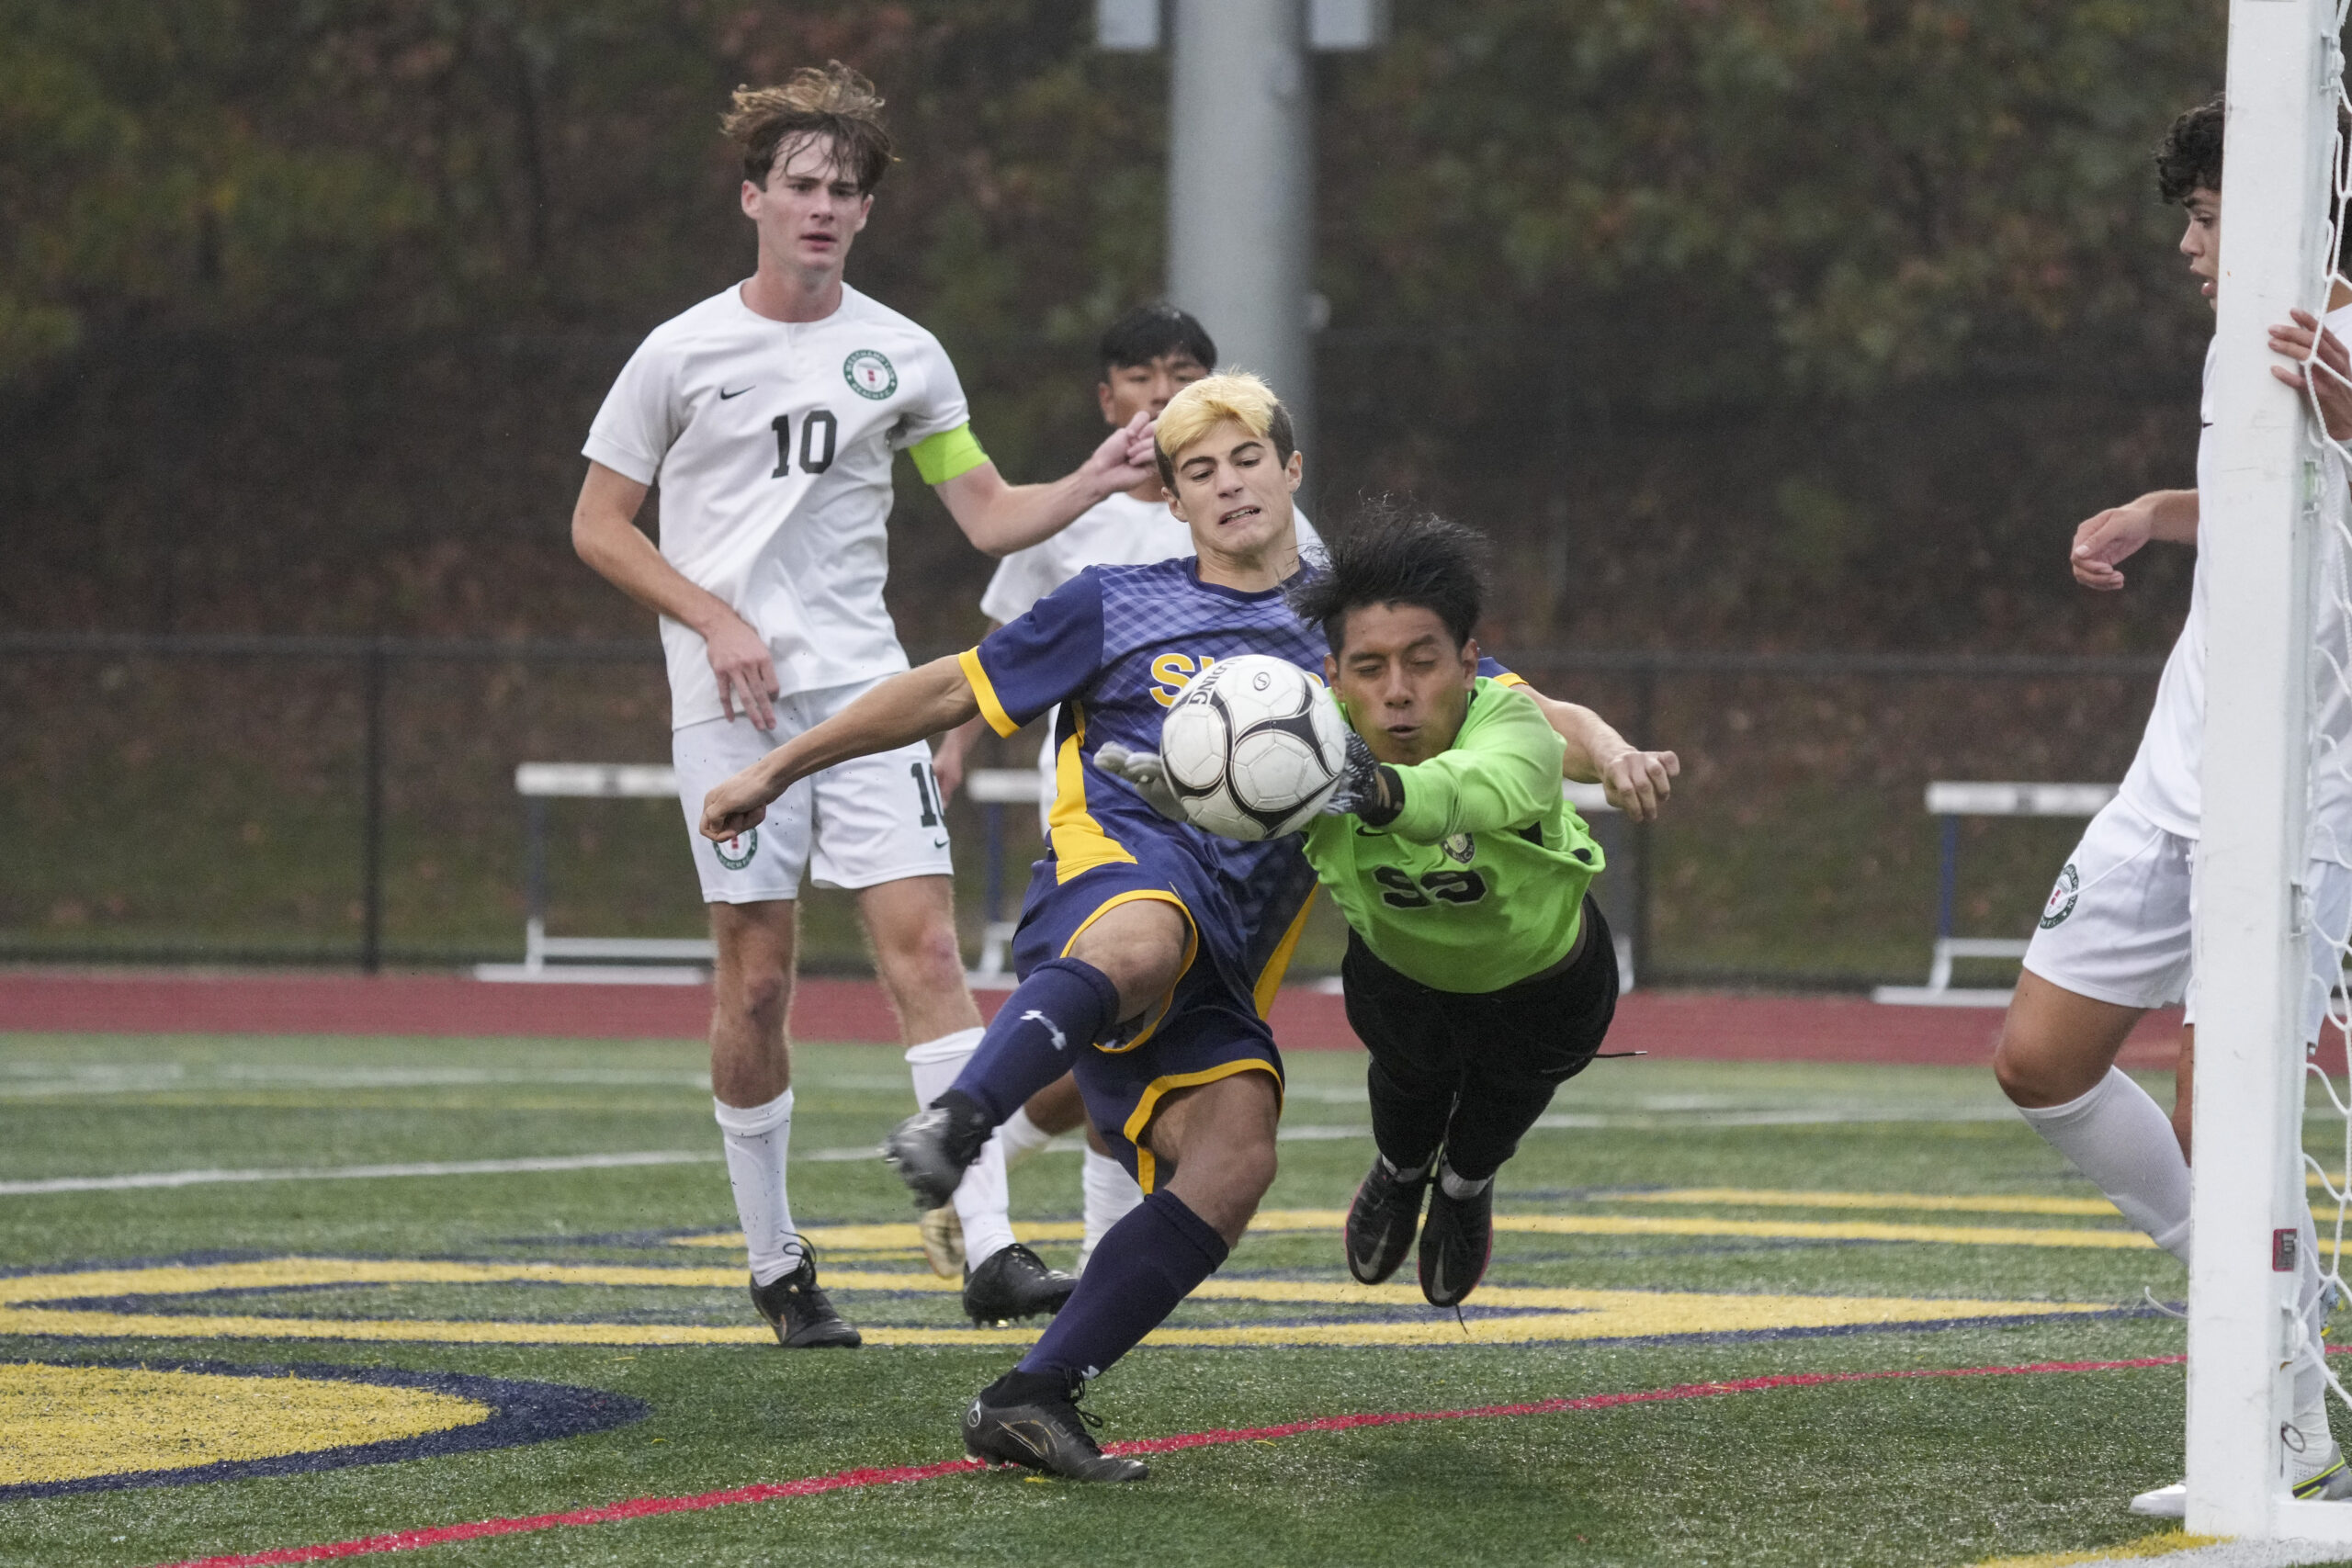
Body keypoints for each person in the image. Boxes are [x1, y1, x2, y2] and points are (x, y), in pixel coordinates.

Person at [702, 372, 1675, 1479]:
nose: (1227, 485)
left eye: (1245, 458)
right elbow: (942, 691)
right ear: (1172, 502)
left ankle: (1032, 1396)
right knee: (1142, 940)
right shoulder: (1114, 602)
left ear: (1291, 471)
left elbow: (1518, 709)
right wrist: (778, 768)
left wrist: (1616, 755)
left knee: (1235, 1160)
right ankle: (960, 1121)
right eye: (1196, 472)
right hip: (1115, 880)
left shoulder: (1353, 635)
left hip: (1226, 963)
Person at [570, 63, 1159, 1346]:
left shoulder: (904, 355)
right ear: (753, 198)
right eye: (801, 186)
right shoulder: (680, 350)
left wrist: (1094, 477)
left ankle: (992, 1245)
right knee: (761, 979)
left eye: (845, 189)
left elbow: (990, 512)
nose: (823, 206)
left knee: (930, 954)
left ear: (865, 212)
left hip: (869, 692)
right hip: (728, 702)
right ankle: (779, 1260)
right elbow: (598, 526)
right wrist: (714, 617)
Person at [1990, 96, 2352, 1515]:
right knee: (2040, 1056)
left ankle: (2275, 1404)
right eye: (2191, 219)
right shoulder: (2236, 336)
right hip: (2180, 763)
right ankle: (2259, 1314)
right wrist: (2158, 507)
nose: (2194, 246)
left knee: (2239, 1098)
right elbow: (2269, 488)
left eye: (2210, 217)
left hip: (2309, 777)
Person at [928, 303, 1320, 1278]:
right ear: (1110, 400)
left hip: (1249, 823)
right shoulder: (1079, 518)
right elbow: (1005, 649)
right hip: (1110, 802)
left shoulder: (1270, 509)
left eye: (1180, 371)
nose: (1161, 392)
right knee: (1126, 973)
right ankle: (1086, 1241)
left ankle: (1010, 1153)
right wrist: (958, 741)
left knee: (1123, 1031)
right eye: (1141, 378)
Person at [1277, 504, 1666, 1306]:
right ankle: (1401, 1170)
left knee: (1497, 1112)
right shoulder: (1295, 742)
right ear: (1333, 677)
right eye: (1371, 668)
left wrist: (1376, 789)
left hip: (1546, 987)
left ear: (1470, 664)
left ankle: (1465, 1184)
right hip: (1399, 975)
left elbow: (1460, 792)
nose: (1397, 693)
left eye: (1422, 662)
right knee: (1405, 1089)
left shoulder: (1514, 725)